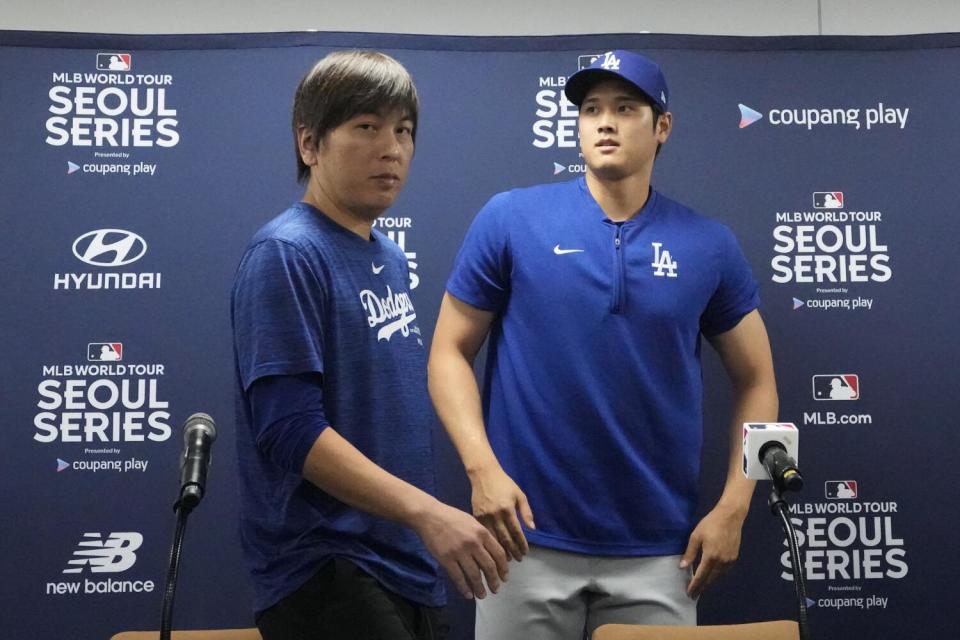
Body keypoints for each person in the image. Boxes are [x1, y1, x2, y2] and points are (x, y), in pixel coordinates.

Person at [428, 49, 779, 639]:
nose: (604, 122)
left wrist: (734, 507)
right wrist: (481, 468)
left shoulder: (709, 244)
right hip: (523, 543)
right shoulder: (512, 218)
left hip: (659, 553)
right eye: (591, 109)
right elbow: (447, 352)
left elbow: (759, 381)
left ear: (662, 126)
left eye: (624, 107)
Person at [231, 50, 507, 640]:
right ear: (310, 143)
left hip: (405, 562)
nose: (393, 148)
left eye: (404, 130)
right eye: (366, 127)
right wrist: (426, 511)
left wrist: (417, 524)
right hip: (328, 565)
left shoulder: (385, 255)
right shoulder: (287, 253)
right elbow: (288, 430)